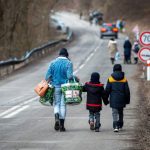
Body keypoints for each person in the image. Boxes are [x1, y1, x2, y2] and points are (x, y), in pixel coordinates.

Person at [45, 48, 73, 132]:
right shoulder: (69, 63)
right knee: (63, 105)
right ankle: (62, 126)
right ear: (66, 55)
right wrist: (75, 78)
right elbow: (69, 77)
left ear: (59, 54)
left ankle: (56, 117)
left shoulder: (53, 63)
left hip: (55, 86)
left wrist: (51, 80)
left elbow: (47, 77)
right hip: (65, 87)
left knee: (56, 104)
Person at [105, 64, 130, 132]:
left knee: (114, 112)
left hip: (113, 98)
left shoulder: (110, 79)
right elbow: (127, 91)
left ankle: (115, 126)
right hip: (122, 98)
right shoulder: (124, 79)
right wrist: (127, 100)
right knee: (121, 112)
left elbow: (107, 90)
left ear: (114, 69)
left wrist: (105, 99)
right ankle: (120, 125)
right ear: (121, 69)